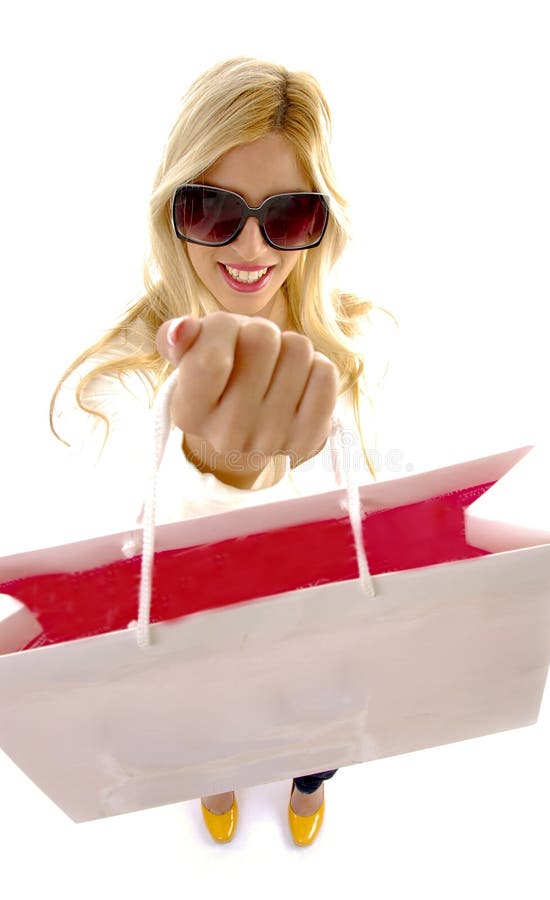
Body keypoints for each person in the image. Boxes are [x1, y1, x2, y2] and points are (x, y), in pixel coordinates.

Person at [50, 56, 398, 846]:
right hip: (193, 641)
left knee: (317, 734)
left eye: (287, 216)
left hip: (318, 633)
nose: (249, 247)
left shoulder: (362, 345)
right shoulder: (116, 383)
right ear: (171, 210)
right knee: (207, 725)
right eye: (212, 210)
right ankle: (216, 783)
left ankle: (307, 785)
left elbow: (381, 498)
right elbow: (108, 565)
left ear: (322, 224)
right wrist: (221, 468)